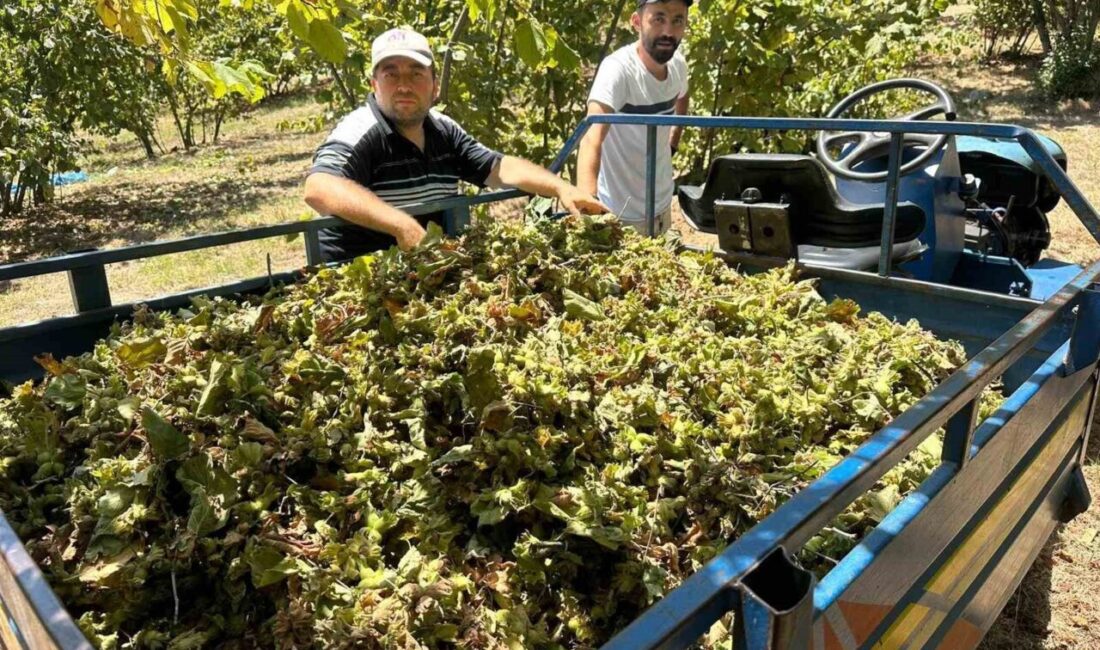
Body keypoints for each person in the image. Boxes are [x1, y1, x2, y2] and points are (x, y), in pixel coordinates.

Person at [305, 28, 607, 262]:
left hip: (429, 269)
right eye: (391, 73)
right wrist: (403, 226)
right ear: (374, 84)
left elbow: (499, 167)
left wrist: (561, 188)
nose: (404, 85)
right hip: (364, 279)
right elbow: (319, 188)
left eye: (416, 73)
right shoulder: (360, 130)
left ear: (434, 85)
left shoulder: (443, 129)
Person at [577, 0, 691, 235]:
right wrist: (589, 211)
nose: (668, 32)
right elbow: (591, 138)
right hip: (621, 212)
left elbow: (683, 97)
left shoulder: (678, 64)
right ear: (637, 22)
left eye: (677, 20)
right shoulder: (618, 70)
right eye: (658, 19)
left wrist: (673, 143)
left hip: (661, 202)